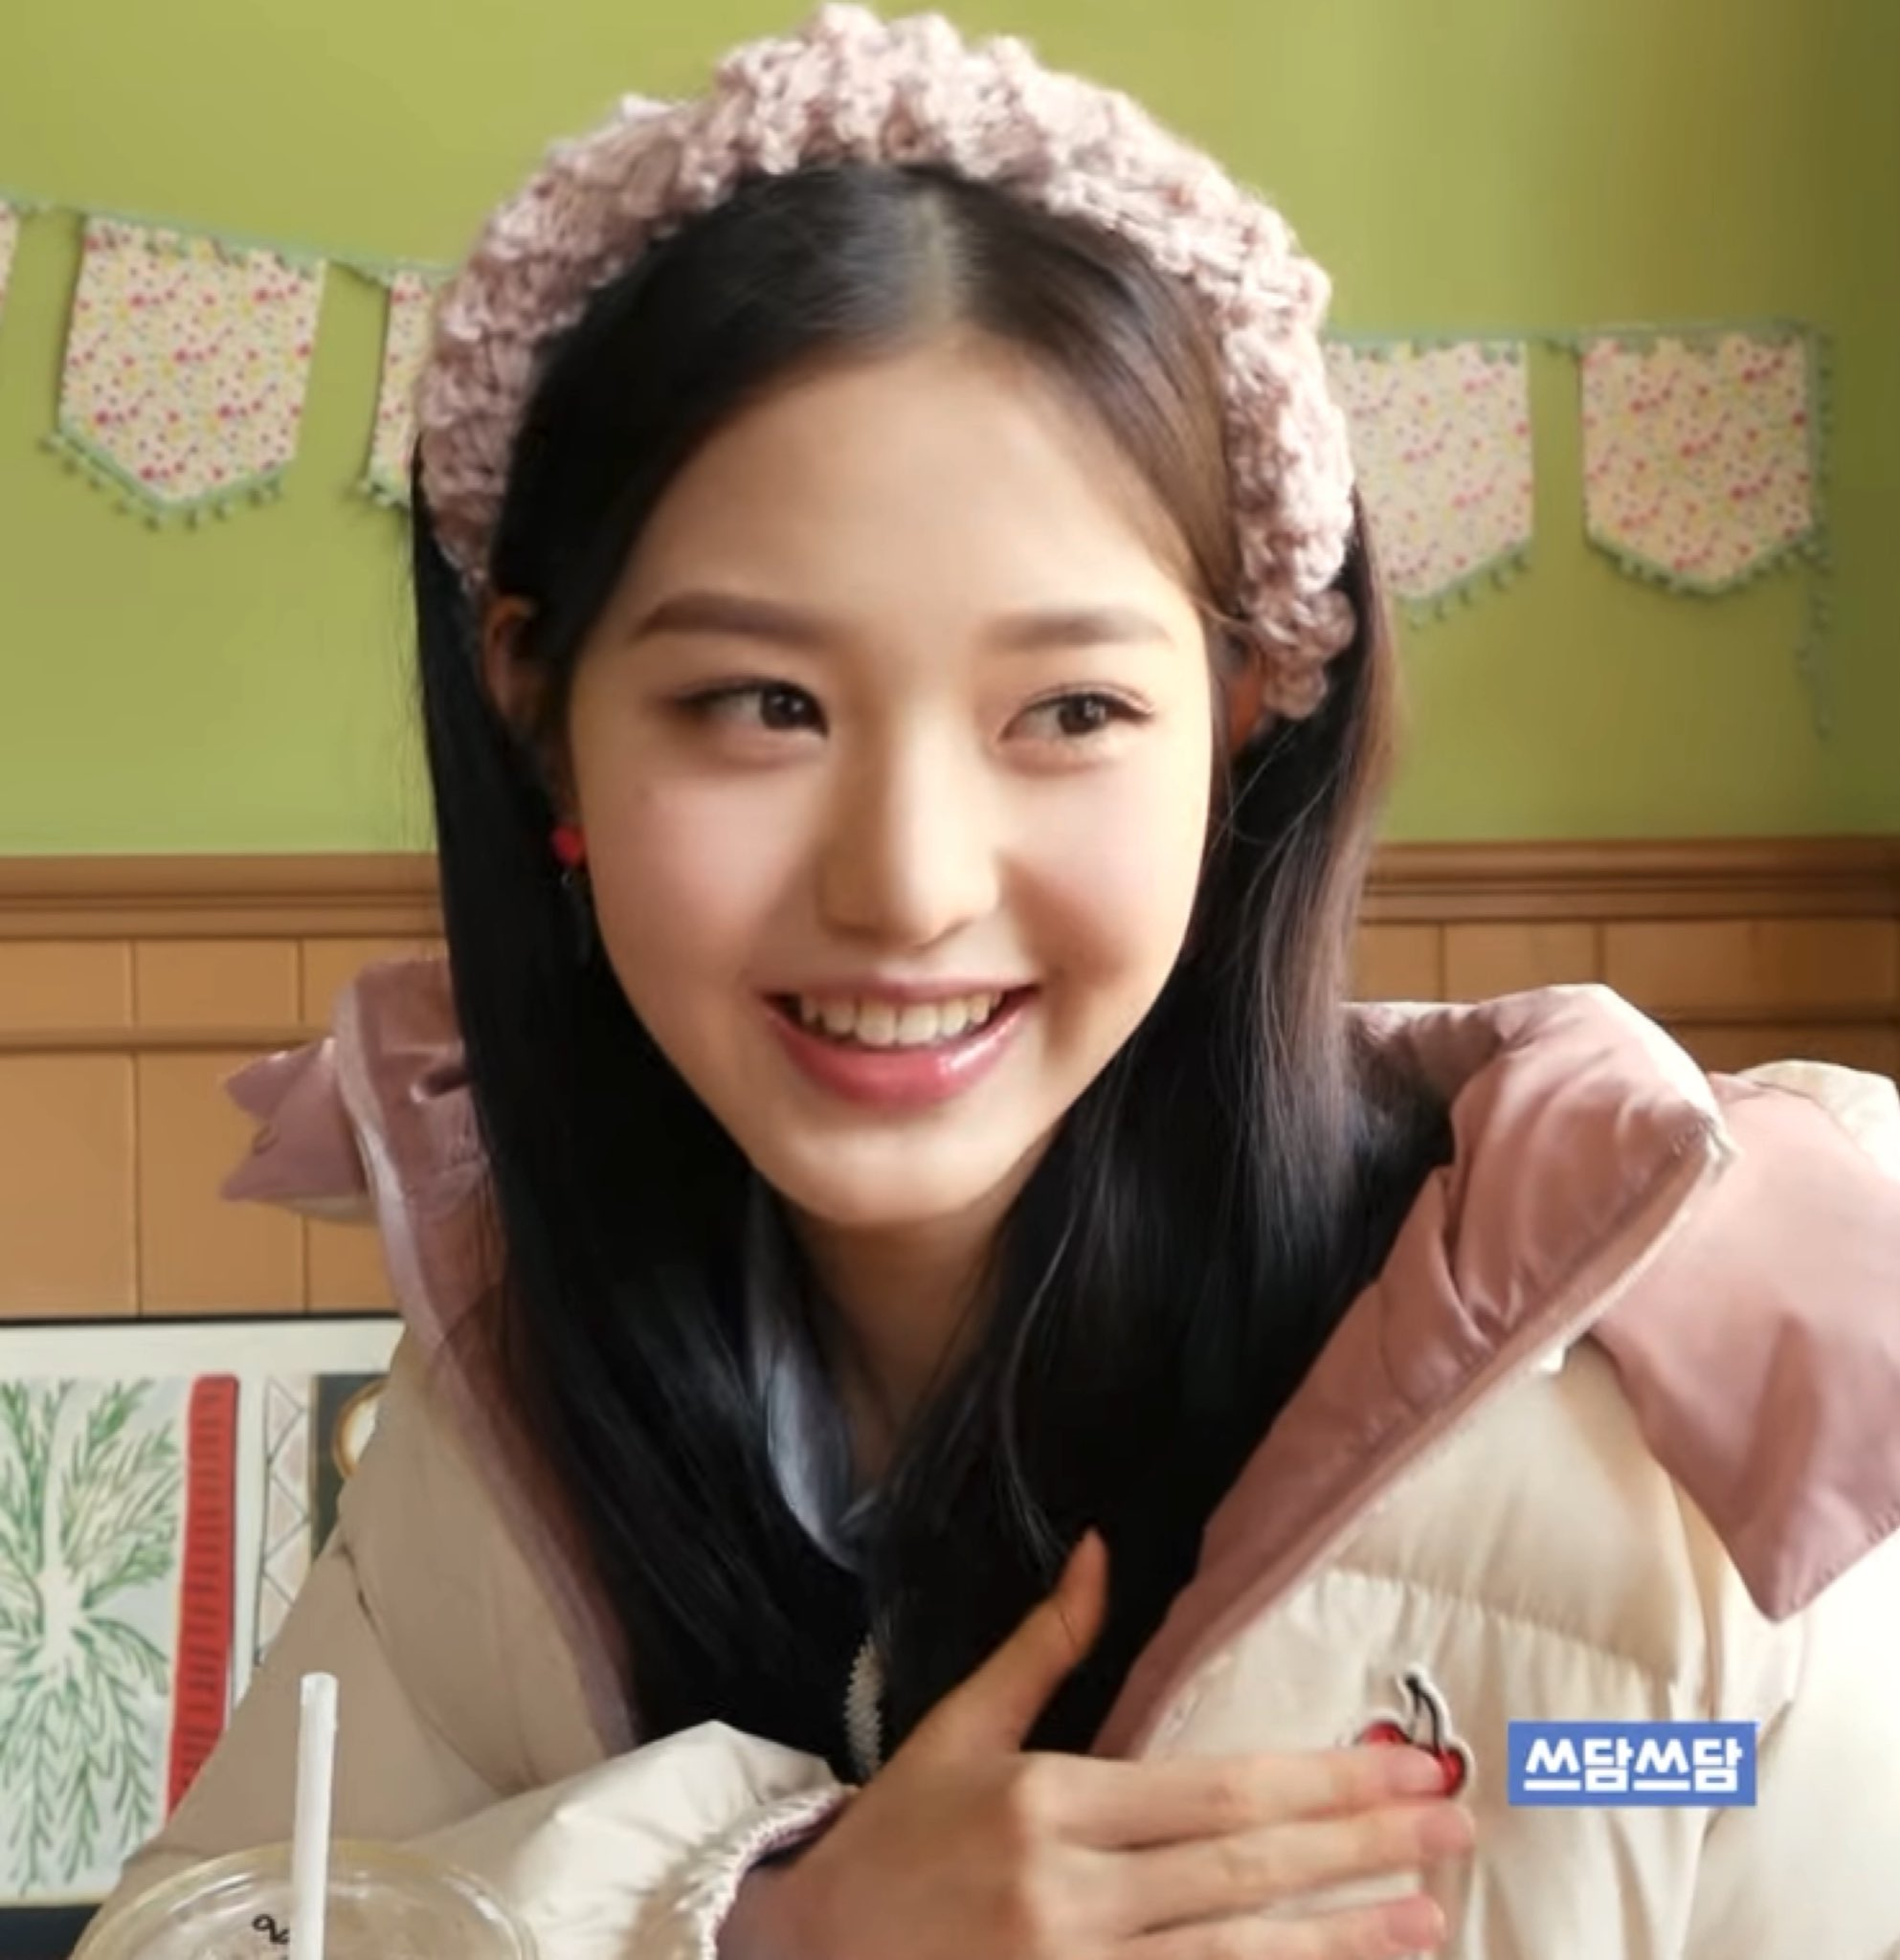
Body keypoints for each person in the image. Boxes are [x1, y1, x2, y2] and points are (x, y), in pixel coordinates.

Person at [85, 10, 1900, 1959]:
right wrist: (763, 1929)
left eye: (1070, 709)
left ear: (1244, 713)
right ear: (543, 717)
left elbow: (1697, 1804)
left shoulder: (1675, 1399)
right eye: (758, 703)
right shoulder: (516, 1399)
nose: (909, 885)